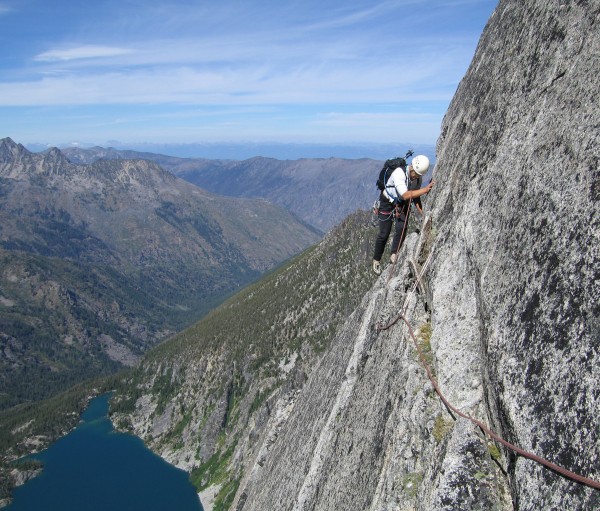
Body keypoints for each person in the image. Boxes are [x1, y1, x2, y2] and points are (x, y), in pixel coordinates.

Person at [372, 155, 434, 275]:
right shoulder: (399, 173)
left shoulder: (417, 179)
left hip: (401, 203)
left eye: (419, 175)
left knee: (402, 227)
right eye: (416, 174)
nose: (417, 176)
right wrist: (426, 190)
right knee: (384, 233)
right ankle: (376, 259)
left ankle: (394, 254)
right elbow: (406, 195)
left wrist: (423, 213)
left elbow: (415, 197)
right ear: (412, 169)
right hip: (387, 202)